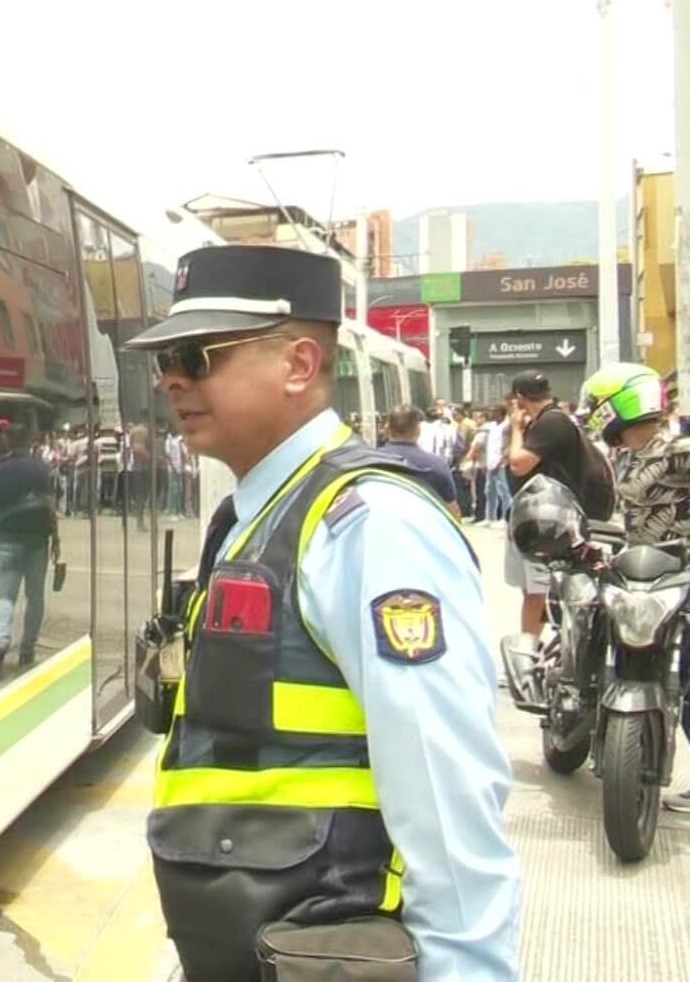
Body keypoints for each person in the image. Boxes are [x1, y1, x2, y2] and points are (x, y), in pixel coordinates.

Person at [126, 244, 518, 980]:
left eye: (197, 355)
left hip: (329, 954)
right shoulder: (252, 513)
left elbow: (445, 791)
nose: (172, 378)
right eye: (163, 361)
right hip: (256, 946)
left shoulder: (372, 526)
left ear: (300, 365)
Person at [581, 364, 690, 812]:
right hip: (641, 576)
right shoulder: (630, 454)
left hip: (679, 579)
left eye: (596, 406)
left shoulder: (677, 448)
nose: (592, 414)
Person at [503, 370, 586, 638]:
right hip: (534, 515)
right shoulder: (546, 421)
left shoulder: (551, 423)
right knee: (532, 591)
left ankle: (529, 653)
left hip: (546, 521)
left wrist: (515, 427)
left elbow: (518, 463)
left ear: (518, 399)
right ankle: (533, 649)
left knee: (537, 593)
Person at [0, 424, 61, 677]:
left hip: (8, 539)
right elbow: (50, 507)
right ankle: (27, 648)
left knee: (5, 595)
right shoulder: (40, 469)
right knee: (35, 596)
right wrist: (56, 538)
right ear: (28, 440)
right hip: (37, 539)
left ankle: (1, 639)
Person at [380, 404, 460, 514]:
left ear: (387, 427)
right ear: (418, 430)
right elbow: (452, 508)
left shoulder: (372, 461)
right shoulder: (436, 464)